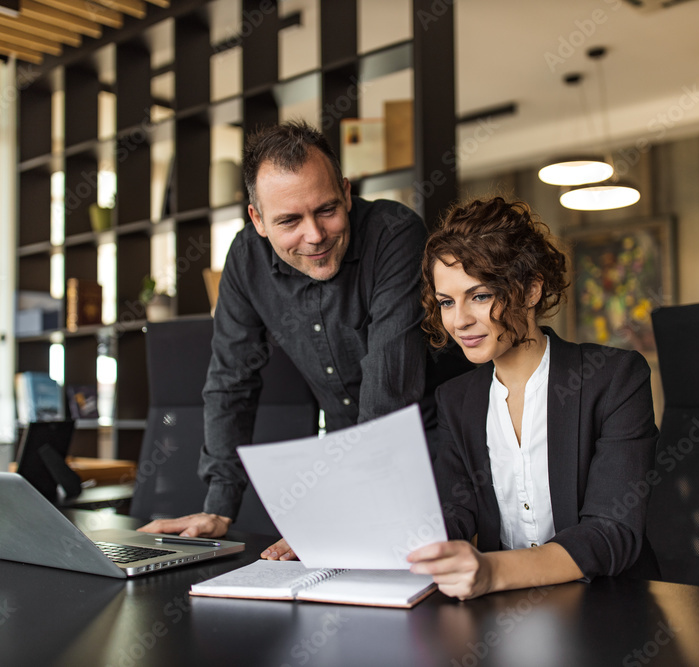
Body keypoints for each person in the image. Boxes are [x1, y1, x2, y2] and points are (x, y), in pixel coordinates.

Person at [139, 121, 444, 542]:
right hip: (345, 455)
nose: (315, 236)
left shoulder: (394, 235)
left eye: (327, 210)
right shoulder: (246, 259)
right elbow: (231, 380)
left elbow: (389, 387)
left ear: (347, 192)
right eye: (289, 221)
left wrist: (340, 516)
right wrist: (218, 508)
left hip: (433, 450)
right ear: (257, 219)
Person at [405, 196, 658, 600]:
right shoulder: (457, 399)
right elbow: (451, 515)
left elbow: (611, 531)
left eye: (480, 296)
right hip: (500, 615)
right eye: (447, 302)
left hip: (610, 609)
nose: (459, 320)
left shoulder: (613, 379)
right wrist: (338, 543)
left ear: (531, 290)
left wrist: (492, 571)